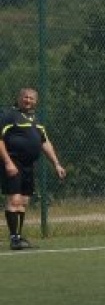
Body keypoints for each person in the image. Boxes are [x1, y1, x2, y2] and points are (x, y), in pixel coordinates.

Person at [1, 87, 68, 250]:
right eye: (25, 97)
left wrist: (56, 164)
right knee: (14, 200)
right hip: (13, 162)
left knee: (24, 201)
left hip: (28, 165)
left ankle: (19, 237)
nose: (28, 100)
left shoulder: (36, 120)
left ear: (36, 101)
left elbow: (45, 142)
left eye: (31, 98)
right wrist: (8, 162)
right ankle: (14, 238)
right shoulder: (9, 115)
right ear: (19, 98)